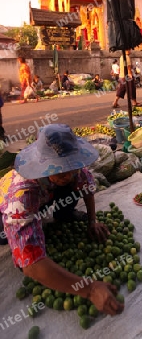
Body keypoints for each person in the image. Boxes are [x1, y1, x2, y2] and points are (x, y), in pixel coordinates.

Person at [0, 123, 124, 316]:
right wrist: (89, 289)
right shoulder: (22, 195)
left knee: (69, 186)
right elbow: (31, 265)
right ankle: (21, 228)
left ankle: (62, 214)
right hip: (8, 208)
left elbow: (87, 185)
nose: (67, 174)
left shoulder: (72, 170)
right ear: (42, 164)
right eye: (59, 170)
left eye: (70, 167)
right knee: (12, 241)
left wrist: (93, 221)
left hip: (44, 194)